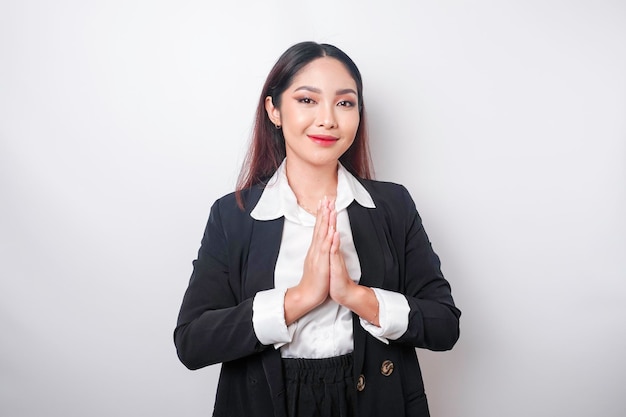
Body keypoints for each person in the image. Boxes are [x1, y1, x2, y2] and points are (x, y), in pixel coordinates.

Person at [174, 41, 461, 417]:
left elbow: (444, 326)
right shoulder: (233, 214)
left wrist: (355, 295)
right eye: (307, 100)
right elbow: (193, 342)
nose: (328, 119)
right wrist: (300, 297)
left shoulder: (393, 206)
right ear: (274, 110)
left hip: (373, 402)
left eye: (345, 103)